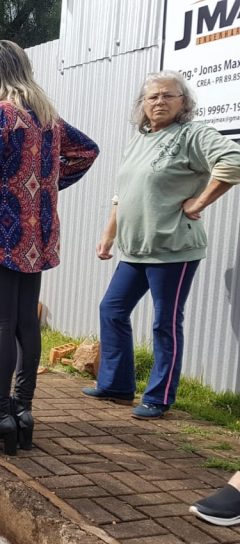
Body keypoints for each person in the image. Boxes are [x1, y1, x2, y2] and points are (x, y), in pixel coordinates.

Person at [0, 40, 99, 455]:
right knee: (25, 325)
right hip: (37, 237)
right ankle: (23, 412)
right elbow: (87, 152)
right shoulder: (46, 117)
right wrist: (43, 191)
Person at [83, 70, 240, 419]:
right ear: (142, 104)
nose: (159, 102)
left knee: (164, 323)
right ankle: (117, 385)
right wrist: (108, 235)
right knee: (112, 309)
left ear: (183, 102)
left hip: (174, 249)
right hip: (135, 248)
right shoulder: (138, 140)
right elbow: (122, 195)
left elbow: (233, 160)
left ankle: (158, 396)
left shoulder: (192, 135)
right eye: (152, 96)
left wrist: (198, 202)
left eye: (169, 95)